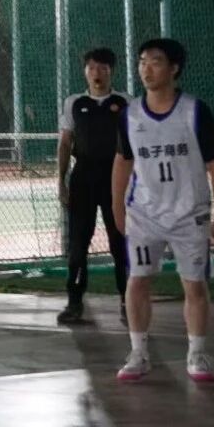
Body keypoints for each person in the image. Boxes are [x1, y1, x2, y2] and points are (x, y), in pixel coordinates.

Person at [112, 38, 214, 384]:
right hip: (144, 214)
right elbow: (122, 161)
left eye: (155, 61)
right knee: (137, 280)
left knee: (194, 284)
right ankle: (138, 352)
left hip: (189, 213)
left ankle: (196, 353)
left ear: (174, 68)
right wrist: (117, 205)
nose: (146, 69)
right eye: (142, 61)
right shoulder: (130, 114)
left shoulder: (194, 111)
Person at [57, 48, 131, 325]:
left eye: (102, 68)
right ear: (85, 72)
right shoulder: (74, 103)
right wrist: (61, 181)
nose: (96, 73)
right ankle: (74, 302)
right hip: (83, 178)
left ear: (112, 71)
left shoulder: (125, 102)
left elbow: (135, 144)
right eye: (91, 68)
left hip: (116, 179)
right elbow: (66, 142)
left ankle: (128, 300)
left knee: (120, 242)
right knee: (78, 244)